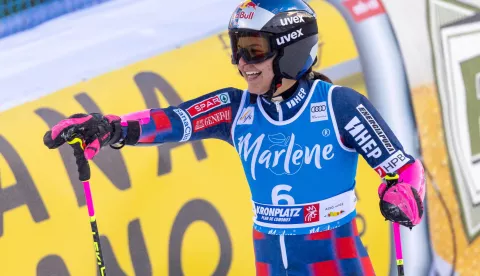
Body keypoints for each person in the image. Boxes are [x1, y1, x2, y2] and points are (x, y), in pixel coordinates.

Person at [43, 0, 426, 275]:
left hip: (333, 257)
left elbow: (406, 171)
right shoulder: (234, 108)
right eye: (237, 49)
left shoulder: (339, 105)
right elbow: (171, 120)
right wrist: (111, 128)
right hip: (269, 260)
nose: (242, 63)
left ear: (291, 49)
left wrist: (402, 195)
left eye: (253, 50)